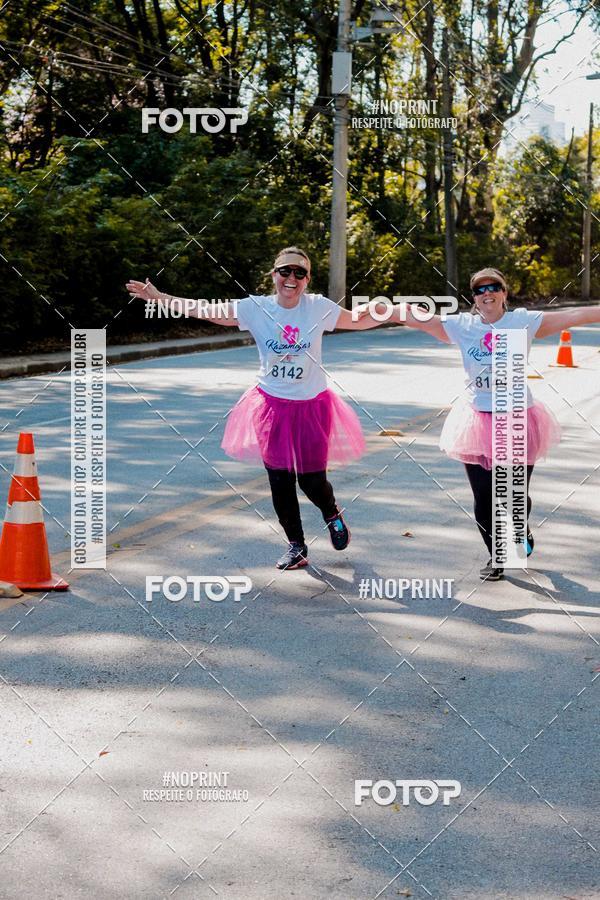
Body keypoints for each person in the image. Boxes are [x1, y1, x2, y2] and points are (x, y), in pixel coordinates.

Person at [126, 246, 380, 570]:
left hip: (312, 406)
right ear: (274, 275)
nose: (292, 278)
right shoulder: (255, 308)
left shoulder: (318, 308)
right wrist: (161, 297)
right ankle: (296, 546)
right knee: (280, 480)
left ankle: (331, 511)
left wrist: (399, 313)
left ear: (308, 279)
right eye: (285, 271)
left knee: (312, 481)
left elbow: (357, 319)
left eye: (300, 273)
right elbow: (205, 310)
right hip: (271, 405)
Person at [363, 267, 600, 580]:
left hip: (517, 419)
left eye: (494, 287)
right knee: (484, 496)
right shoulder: (462, 326)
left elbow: (573, 315)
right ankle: (497, 556)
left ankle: (520, 529)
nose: (487, 293)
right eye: (479, 289)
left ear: (504, 293)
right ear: (473, 297)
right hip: (476, 420)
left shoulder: (523, 322)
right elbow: (416, 315)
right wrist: (382, 308)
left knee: (512, 495)